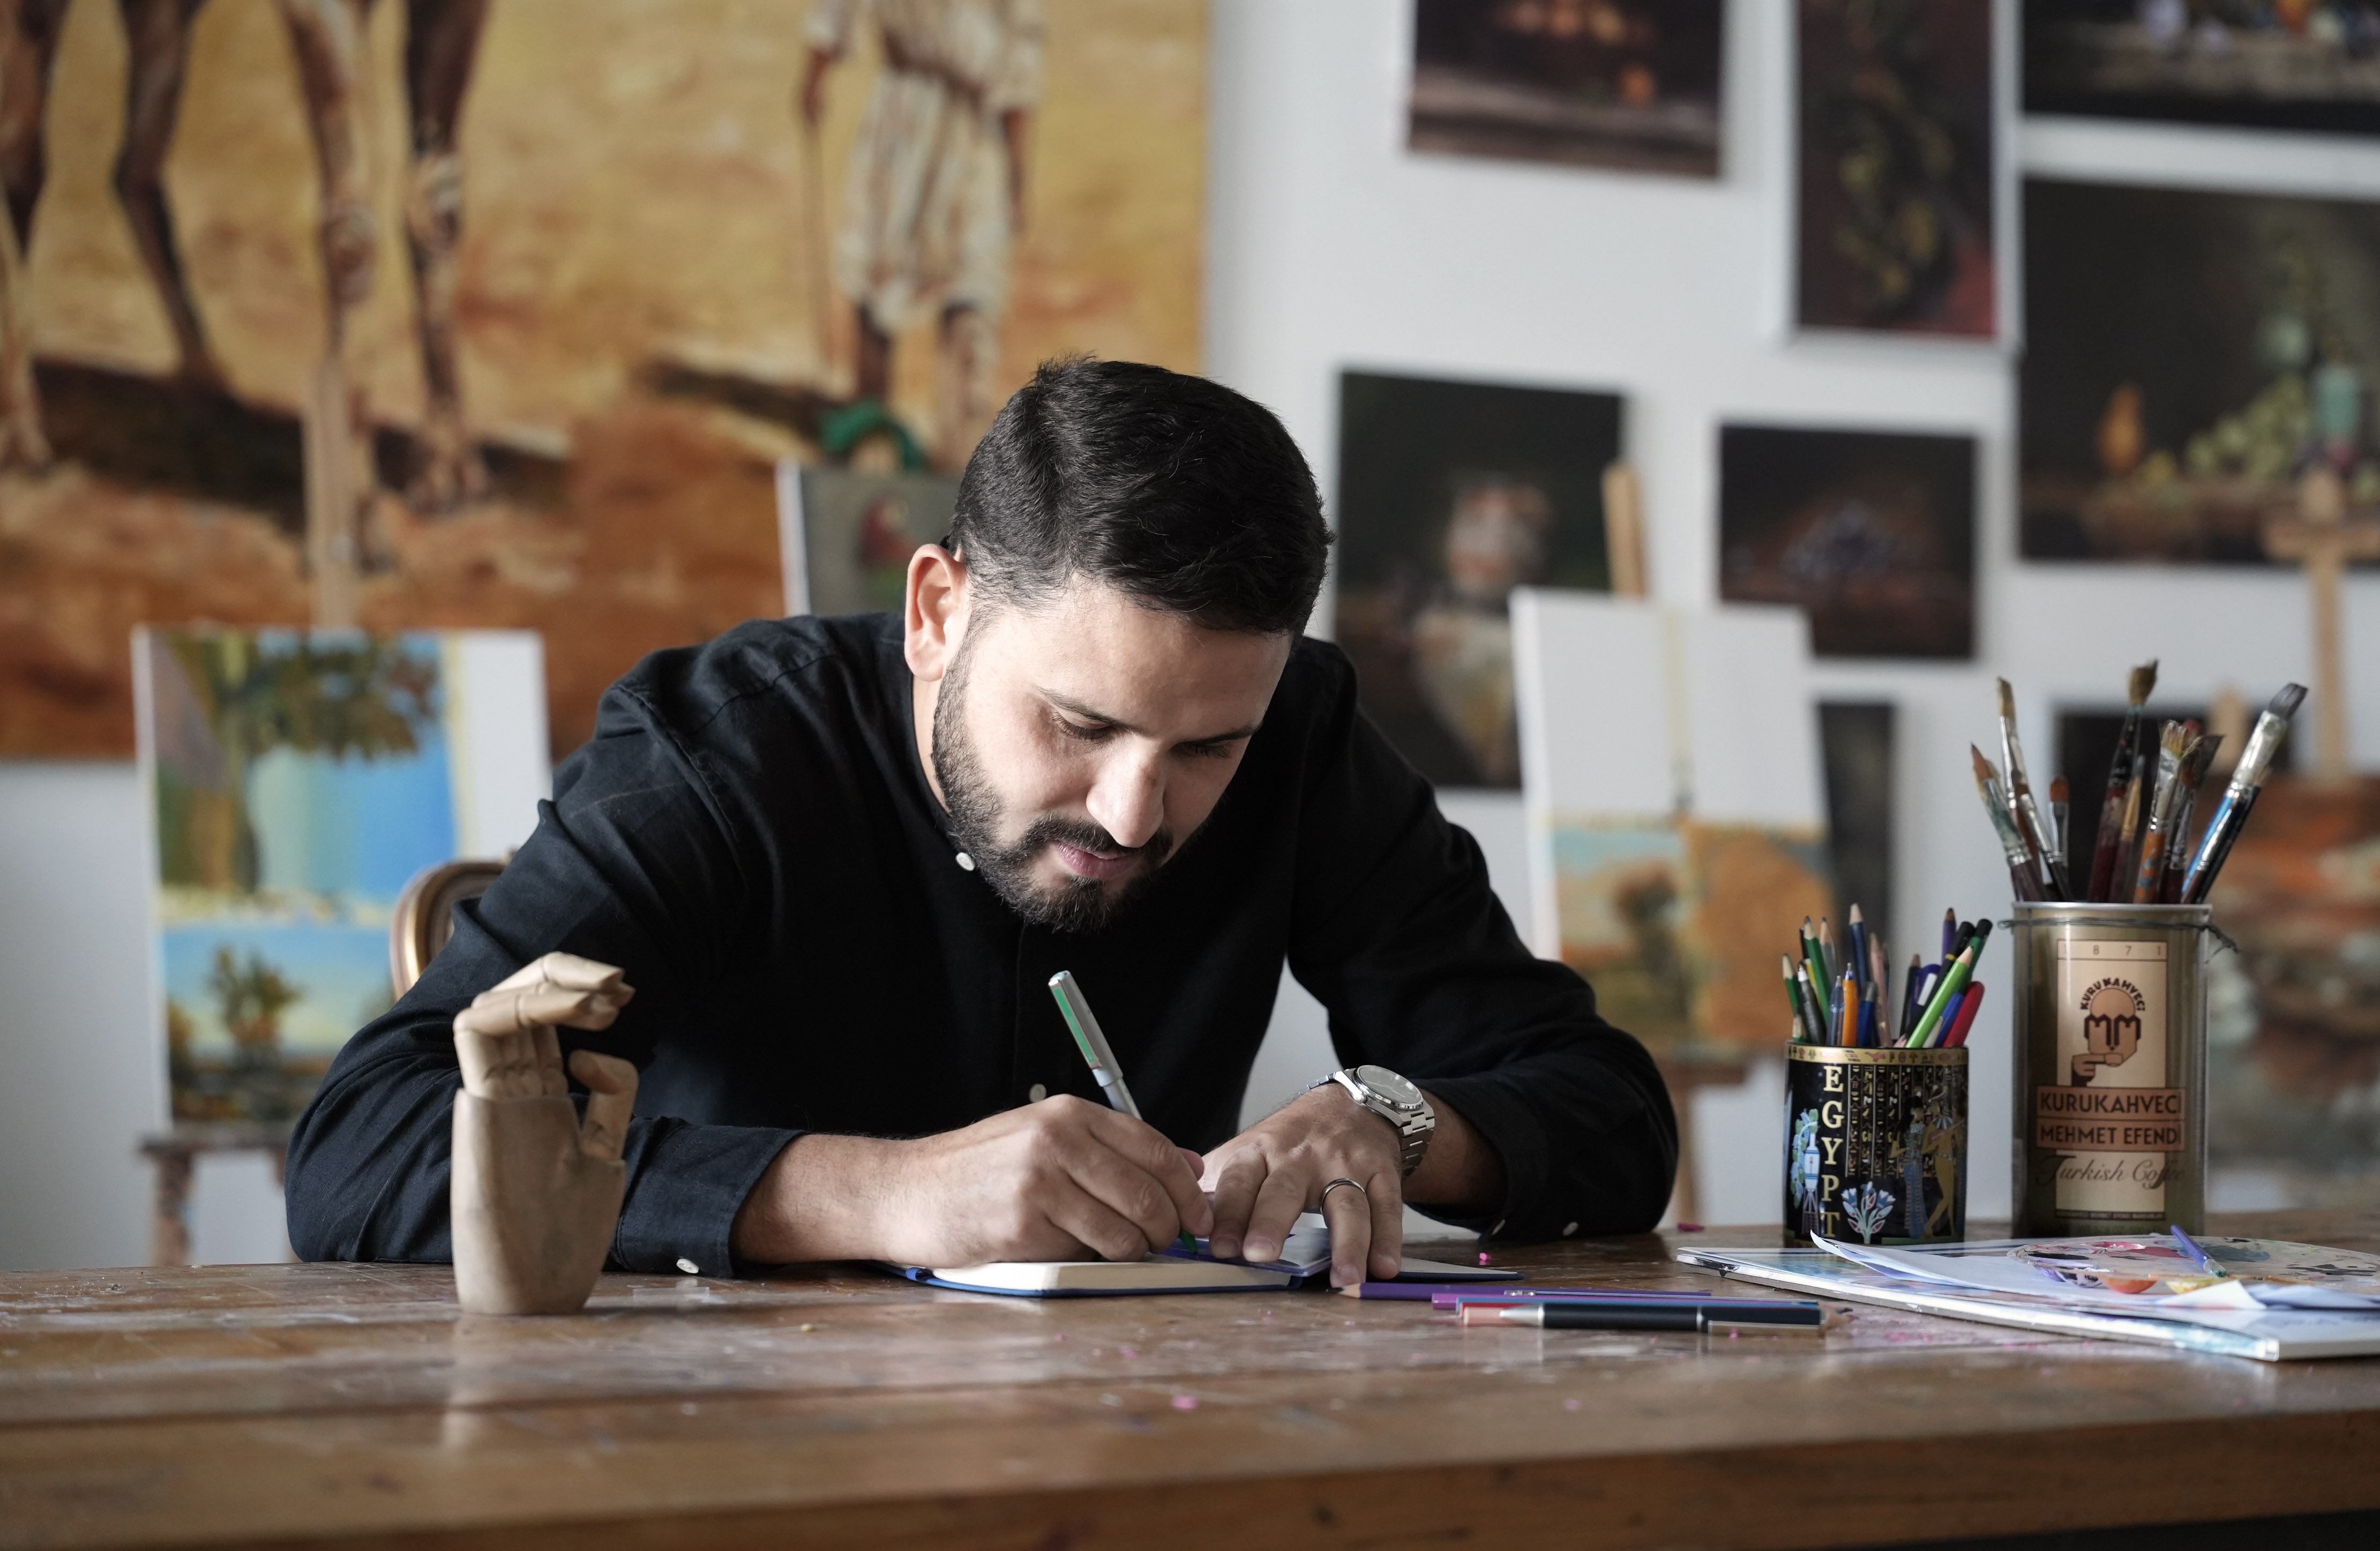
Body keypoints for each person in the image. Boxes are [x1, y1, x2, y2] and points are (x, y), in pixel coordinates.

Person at [286, 360, 1677, 1287]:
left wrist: (1395, 1119)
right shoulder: (717, 753)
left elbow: (1607, 1112)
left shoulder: (1301, 735)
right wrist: (873, 1194)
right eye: (1076, 724)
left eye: (1206, 749)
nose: (1133, 811)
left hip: (1150, 1434)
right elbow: (361, 1146)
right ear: (936, 612)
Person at [799, 0, 1041, 466]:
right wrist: (817, 67)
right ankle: (869, 427)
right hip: (902, 114)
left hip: (976, 129)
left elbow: (1022, 39)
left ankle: (963, 454)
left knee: (972, 286)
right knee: (877, 273)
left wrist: (1018, 168)